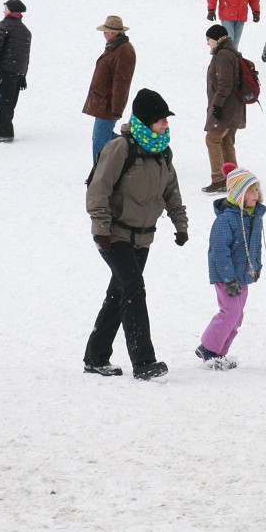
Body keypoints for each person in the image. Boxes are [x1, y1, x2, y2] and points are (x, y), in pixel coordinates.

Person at [84, 88, 187, 382]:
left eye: (166, 120)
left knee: (119, 294)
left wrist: (181, 225)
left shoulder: (162, 151)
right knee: (133, 291)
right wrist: (101, 229)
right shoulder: (121, 148)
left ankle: (95, 356)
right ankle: (144, 361)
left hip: (142, 237)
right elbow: (98, 190)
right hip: (113, 235)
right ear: (145, 121)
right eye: (161, 120)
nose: (165, 125)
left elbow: (171, 191)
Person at [197, 162, 266, 371]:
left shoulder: (254, 216)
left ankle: (220, 352)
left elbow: (254, 246)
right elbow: (219, 250)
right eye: (250, 191)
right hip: (226, 276)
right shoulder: (226, 220)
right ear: (238, 193)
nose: (256, 195)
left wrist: (257, 266)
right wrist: (228, 278)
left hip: (243, 275)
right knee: (229, 312)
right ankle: (208, 349)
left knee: (237, 315)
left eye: (256, 190)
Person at [84, 16, 137, 163]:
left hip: (108, 103)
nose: (104, 34)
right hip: (103, 101)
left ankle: (99, 171)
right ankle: (132, 146)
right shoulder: (115, 47)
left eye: (106, 31)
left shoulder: (123, 51)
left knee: (100, 139)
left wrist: (116, 107)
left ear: (114, 33)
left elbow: (121, 82)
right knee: (102, 137)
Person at [203, 24, 247, 194]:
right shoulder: (229, 52)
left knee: (212, 140)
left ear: (217, 39)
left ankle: (219, 179)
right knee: (227, 141)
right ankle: (233, 179)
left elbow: (225, 84)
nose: (207, 43)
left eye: (208, 39)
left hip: (226, 108)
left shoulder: (223, 55)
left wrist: (217, 105)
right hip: (234, 108)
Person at [0, 0, 31, 143]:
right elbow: (25, 55)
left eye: (5, 8)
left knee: (1, 102)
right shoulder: (25, 30)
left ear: (11, 10)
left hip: (7, 70)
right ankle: (1, 130)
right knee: (10, 102)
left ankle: (5, 133)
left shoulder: (5, 25)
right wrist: (23, 74)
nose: (3, 10)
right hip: (18, 72)